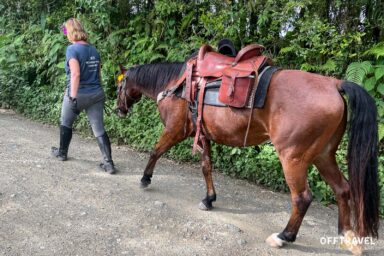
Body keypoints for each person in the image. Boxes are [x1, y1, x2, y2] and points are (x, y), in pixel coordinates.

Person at [51, 18, 116, 174]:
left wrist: (73, 97)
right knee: (99, 128)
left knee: (66, 122)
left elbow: (75, 74)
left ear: (71, 32)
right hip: (96, 94)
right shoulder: (94, 50)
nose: (65, 34)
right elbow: (98, 73)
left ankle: (62, 153)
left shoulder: (72, 50)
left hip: (78, 93)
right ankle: (109, 163)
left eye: (65, 31)